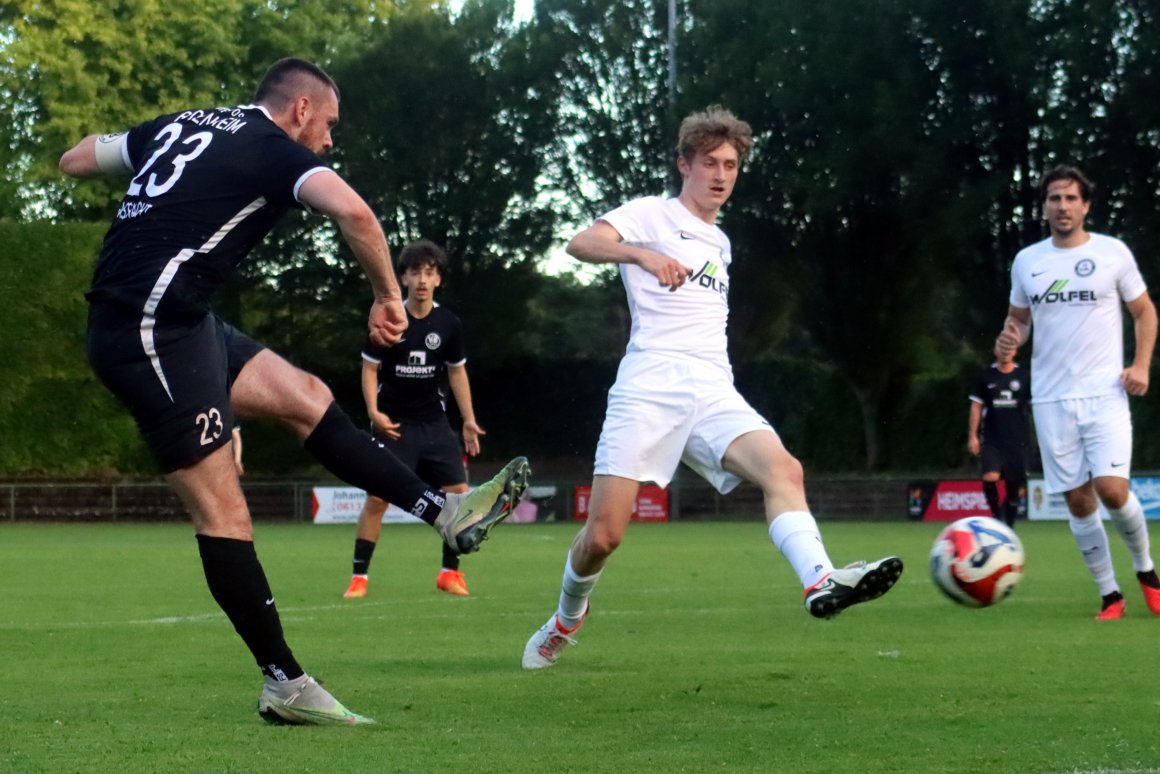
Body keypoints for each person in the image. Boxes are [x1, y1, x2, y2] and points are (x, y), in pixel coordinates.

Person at [59, 57, 530, 724]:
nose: (331, 141)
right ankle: (283, 681)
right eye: (329, 124)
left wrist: (160, 179)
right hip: (147, 331)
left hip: (185, 320)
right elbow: (358, 215)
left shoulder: (184, 125)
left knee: (307, 397)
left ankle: (442, 513)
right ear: (299, 110)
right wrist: (387, 299)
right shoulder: (270, 147)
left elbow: (75, 159)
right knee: (225, 513)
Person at [521, 106, 903, 670]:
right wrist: (641, 253)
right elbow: (581, 244)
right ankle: (563, 622)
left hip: (711, 386)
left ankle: (820, 581)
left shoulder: (721, 243)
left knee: (785, 471)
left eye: (730, 165)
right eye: (710, 164)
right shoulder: (650, 213)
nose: (721, 175)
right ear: (685, 165)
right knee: (603, 537)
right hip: (650, 381)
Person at [995, 164, 1158, 621]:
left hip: (1105, 393)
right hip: (1050, 398)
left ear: (1086, 205)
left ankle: (1146, 570)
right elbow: (1018, 322)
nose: (1062, 206)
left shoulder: (1113, 253)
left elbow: (1145, 313)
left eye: (1070, 198)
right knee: (1078, 498)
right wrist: (1008, 340)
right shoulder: (1028, 260)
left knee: (1111, 488)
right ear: (1044, 206)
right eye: (1054, 199)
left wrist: (1140, 365)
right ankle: (1110, 595)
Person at [343, 240, 485, 599]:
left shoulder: (448, 323)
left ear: (438, 280)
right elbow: (369, 368)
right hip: (395, 425)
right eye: (416, 271)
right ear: (403, 277)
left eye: (430, 272)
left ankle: (449, 573)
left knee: (458, 497)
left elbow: (457, 374)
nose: (423, 279)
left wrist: (468, 420)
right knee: (378, 499)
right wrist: (373, 411)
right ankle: (359, 578)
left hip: (435, 426)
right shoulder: (388, 317)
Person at [966, 353, 1033, 528]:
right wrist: (973, 435)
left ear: (1015, 351)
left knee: (1013, 485)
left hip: (1018, 439)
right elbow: (976, 406)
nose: (1005, 352)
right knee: (990, 477)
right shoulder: (986, 376)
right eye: (1001, 347)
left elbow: (1034, 406)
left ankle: (1008, 526)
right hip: (992, 438)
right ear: (996, 350)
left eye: (1009, 348)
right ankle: (996, 516)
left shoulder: (1025, 376)